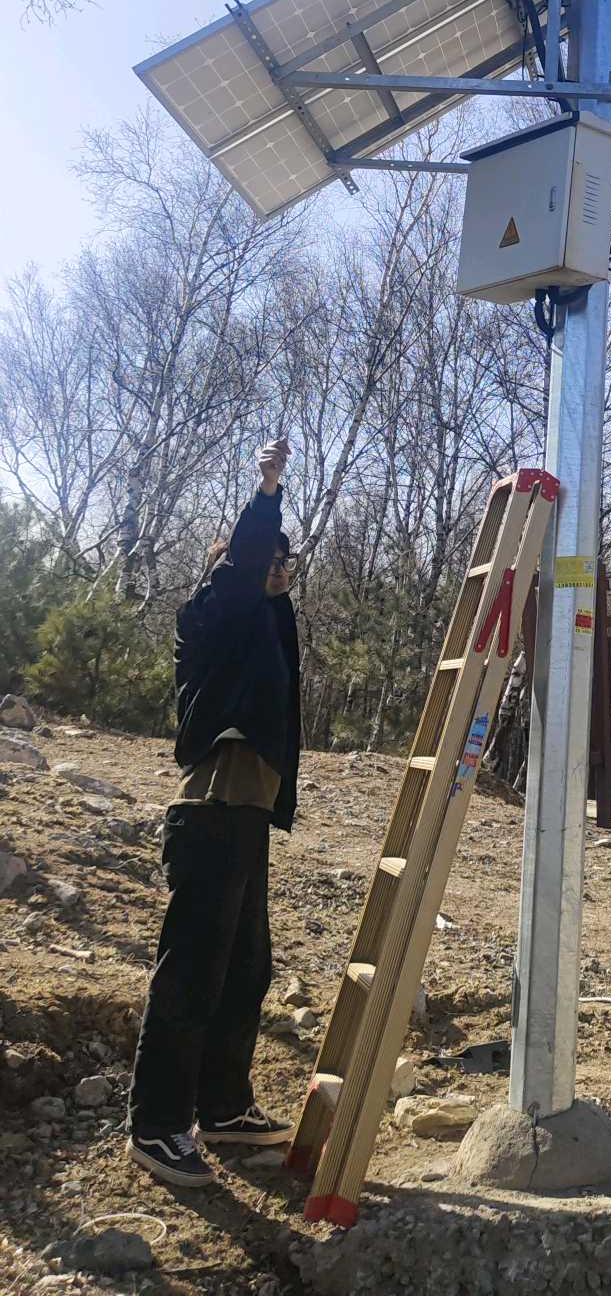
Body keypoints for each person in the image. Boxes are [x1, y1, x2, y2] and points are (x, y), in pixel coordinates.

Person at [128, 439, 303, 1187]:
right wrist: (267, 496)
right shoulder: (210, 613)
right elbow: (240, 577)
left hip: (247, 815)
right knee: (193, 971)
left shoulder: (259, 620)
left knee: (246, 967)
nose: (280, 568)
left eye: (287, 561)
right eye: (270, 559)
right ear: (234, 561)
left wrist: (275, 582)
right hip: (209, 812)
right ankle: (156, 1125)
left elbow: (273, 627)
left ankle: (223, 1107)